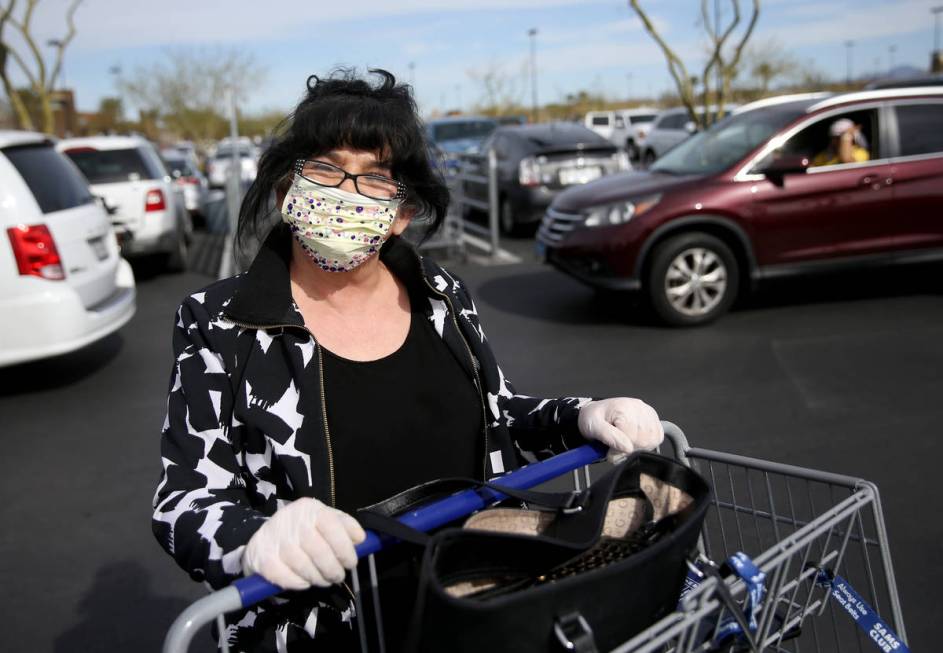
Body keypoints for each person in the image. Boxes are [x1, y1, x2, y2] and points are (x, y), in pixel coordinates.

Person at [152, 69, 664, 652]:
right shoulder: (219, 322)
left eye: (374, 177)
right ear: (284, 191)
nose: (346, 191)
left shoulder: (440, 294)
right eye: (324, 168)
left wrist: (580, 415)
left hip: (476, 610)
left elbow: (498, 412)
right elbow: (185, 500)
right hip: (328, 633)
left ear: (400, 211)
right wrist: (254, 538)